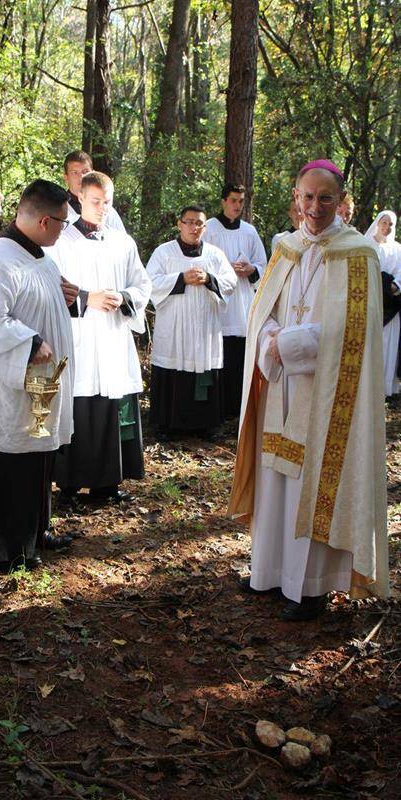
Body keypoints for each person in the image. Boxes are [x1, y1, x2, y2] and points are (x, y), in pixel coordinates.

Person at [228, 159, 389, 621]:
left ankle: (309, 587)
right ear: (295, 199)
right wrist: (269, 338)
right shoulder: (285, 247)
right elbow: (263, 311)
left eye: (324, 198)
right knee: (276, 478)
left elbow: (352, 332)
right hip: (278, 386)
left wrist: (287, 342)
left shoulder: (358, 253)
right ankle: (269, 572)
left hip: (326, 393)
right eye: (306, 197)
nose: (314, 207)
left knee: (310, 483)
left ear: (340, 202)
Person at [0, 180, 76, 569]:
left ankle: (37, 531)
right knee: (17, 463)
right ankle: (10, 547)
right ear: (45, 221)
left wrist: (66, 298)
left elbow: (41, 302)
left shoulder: (40, 257)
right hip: (16, 383)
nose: (65, 229)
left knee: (41, 458)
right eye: (63, 223)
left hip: (45, 382)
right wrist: (32, 343)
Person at [49, 170, 151, 505]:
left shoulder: (122, 242)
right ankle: (69, 484)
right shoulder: (61, 241)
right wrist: (85, 299)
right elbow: (51, 286)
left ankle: (108, 482)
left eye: (107, 202)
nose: (102, 208)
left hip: (112, 336)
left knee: (111, 404)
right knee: (80, 406)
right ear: (79, 197)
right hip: (79, 336)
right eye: (95, 201)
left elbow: (141, 283)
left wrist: (124, 297)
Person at [147, 204, 237, 439]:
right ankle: (167, 425)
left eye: (199, 223)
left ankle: (205, 424)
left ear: (205, 228)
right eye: (188, 221)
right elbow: (149, 283)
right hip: (174, 327)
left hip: (204, 328)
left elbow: (231, 282)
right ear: (179, 224)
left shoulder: (215, 255)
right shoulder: (164, 252)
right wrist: (180, 278)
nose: (193, 227)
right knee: (173, 368)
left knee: (203, 371)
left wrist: (209, 279)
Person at [203, 182, 267, 419]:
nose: (237, 205)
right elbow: (201, 260)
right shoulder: (209, 228)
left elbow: (263, 264)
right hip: (219, 300)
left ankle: (237, 410)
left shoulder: (249, 232)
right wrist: (225, 269)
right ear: (223, 201)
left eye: (241, 201)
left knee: (239, 355)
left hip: (241, 302)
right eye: (233, 200)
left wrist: (251, 269)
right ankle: (216, 409)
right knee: (219, 354)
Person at [365, 210, 401, 397]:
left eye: (390, 224)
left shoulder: (397, 248)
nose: (386, 227)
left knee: (387, 343)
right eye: (384, 222)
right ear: (378, 222)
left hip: (390, 303)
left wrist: (395, 286)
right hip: (369, 299)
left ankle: (384, 388)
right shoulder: (366, 244)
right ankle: (367, 385)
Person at [63, 149, 125, 231]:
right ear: (66, 178)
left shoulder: (107, 212)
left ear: (93, 173)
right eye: (75, 172)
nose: (81, 177)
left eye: (85, 171)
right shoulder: (57, 211)